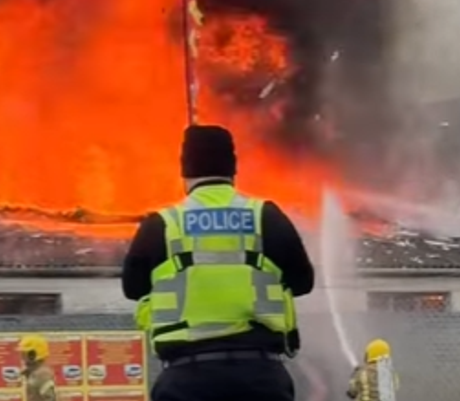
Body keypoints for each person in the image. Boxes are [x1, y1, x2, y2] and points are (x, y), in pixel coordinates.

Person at [122, 124, 316, 401]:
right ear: (233, 169)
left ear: (184, 171)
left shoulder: (162, 225)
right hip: (260, 376)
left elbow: (133, 288)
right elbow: (302, 282)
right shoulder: (266, 216)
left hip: (186, 380)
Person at [17, 335, 58, 401]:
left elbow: (50, 398)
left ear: (32, 354)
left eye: (24, 354)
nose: (22, 358)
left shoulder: (42, 374)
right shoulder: (35, 372)